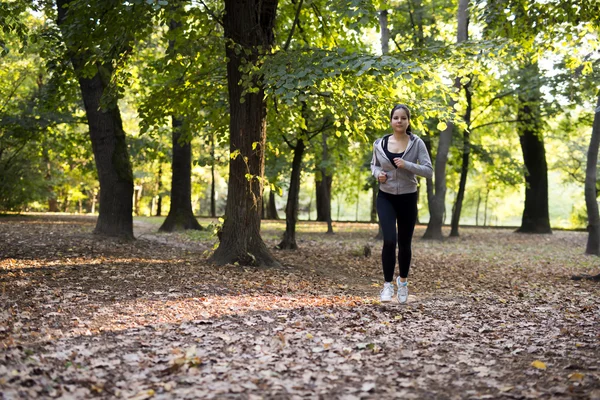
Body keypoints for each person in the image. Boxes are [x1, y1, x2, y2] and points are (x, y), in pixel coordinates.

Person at [370, 104, 433, 303]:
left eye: (403, 118)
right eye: (396, 117)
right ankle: (387, 285)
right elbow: (374, 165)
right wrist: (377, 174)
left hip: (408, 197)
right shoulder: (379, 143)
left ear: (408, 121)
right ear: (391, 120)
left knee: (405, 244)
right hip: (386, 197)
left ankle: (403, 283)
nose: (399, 121)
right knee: (389, 240)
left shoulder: (417, 143)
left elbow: (428, 170)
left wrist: (407, 165)